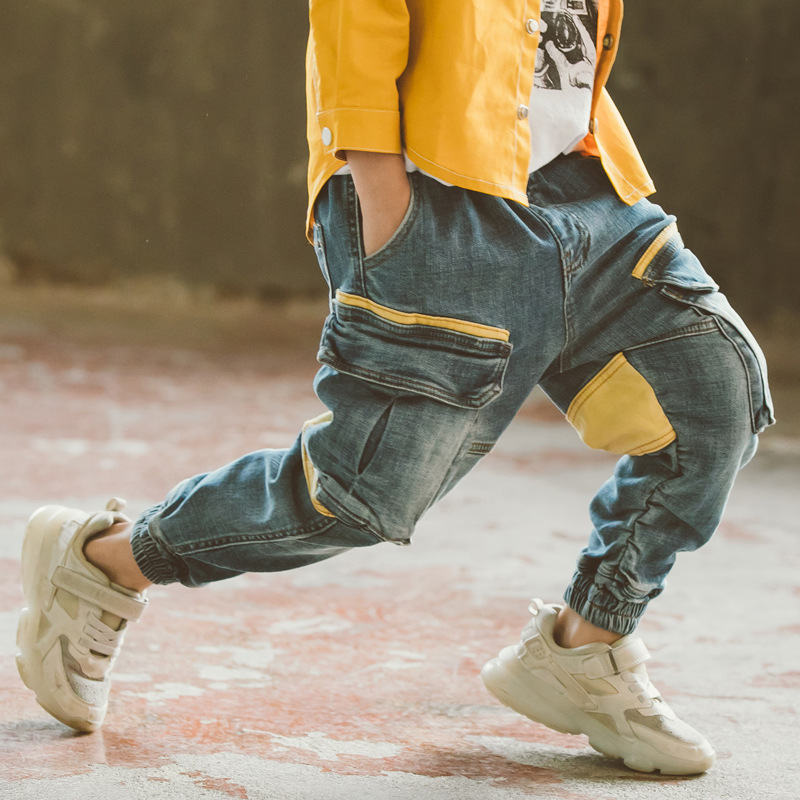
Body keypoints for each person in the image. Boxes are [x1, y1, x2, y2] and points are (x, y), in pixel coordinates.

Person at [17, 0, 773, 777]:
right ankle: (106, 564)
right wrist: (384, 198)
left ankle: (587, 646)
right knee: (361, 493)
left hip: (587, 182)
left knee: (715, 400)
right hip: (437, 194)